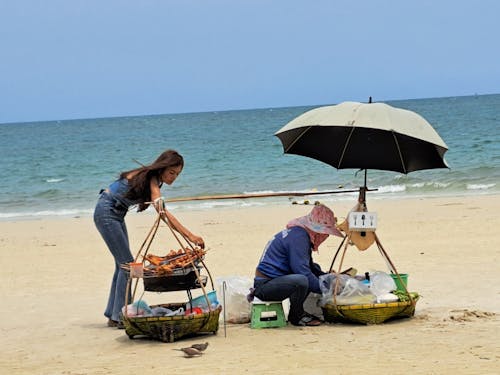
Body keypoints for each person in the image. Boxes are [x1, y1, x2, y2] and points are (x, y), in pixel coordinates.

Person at [94, 149, 204, 328]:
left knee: (121, 265)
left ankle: (113, 315)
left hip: (114, 213)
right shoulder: (150, 178)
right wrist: (190, 236)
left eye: (177, 174)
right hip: (107, 212)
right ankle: (121, 317)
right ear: (162, 167)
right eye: (171, 172)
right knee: (129, 267)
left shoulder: (151, 179)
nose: (174, 177)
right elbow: (163, 214)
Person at [251, 204, 343, 326]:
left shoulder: (299, 234)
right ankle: (297, 315)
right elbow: (302, 271)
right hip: (265, 286)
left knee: (314, 271)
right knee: (302, 280)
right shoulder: (299, 237)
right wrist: (327, 290)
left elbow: (309, 267)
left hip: (275, 282)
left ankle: (297, 312)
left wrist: (327, 277)